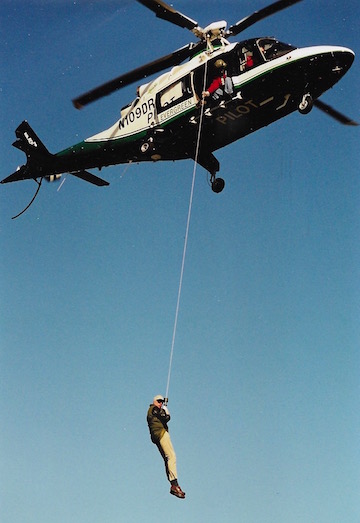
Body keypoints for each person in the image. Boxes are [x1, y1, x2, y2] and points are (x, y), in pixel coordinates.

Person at [147, 394, 185, 499]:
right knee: (172, 456)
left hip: (156, 436)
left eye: (162, 402)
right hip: (161, 433)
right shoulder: (153, 409)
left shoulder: (153, 411)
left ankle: (173, 484)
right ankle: (174, 484)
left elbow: (163, 417)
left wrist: (164, 411)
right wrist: (165, 411)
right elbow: (166, 417)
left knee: (167, 459)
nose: (160, 403)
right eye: (159, 401)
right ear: (154, 401)